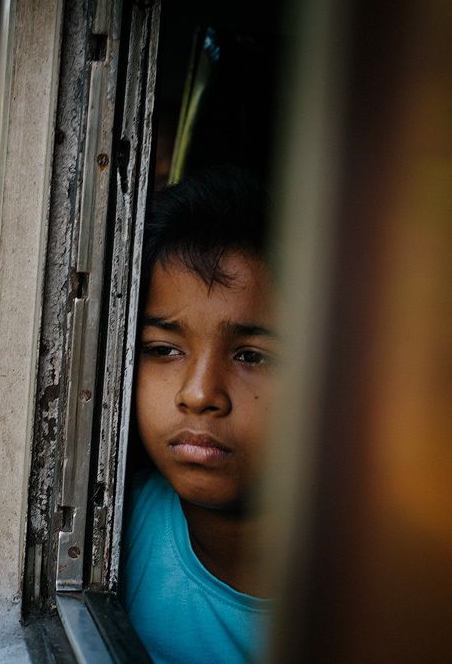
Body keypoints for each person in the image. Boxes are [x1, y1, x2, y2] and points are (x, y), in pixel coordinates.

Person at [122, 166, 277, 663]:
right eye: (163, 349)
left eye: (253, 356)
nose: (198, 393)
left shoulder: (387, 600)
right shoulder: (109, 528)